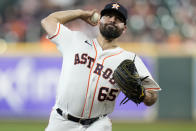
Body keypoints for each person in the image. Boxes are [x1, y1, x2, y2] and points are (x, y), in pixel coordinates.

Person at [41, 2, 161, 131]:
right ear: (99, 20)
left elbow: (152, 97)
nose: (112, 20)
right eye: (108, 16)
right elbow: (48, 21)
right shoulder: (75, 40)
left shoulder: (130, 59)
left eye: (118, 19)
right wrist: (80, 14)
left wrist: (143, 95)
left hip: (98, 124)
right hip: (61, 121)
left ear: (124, 28)